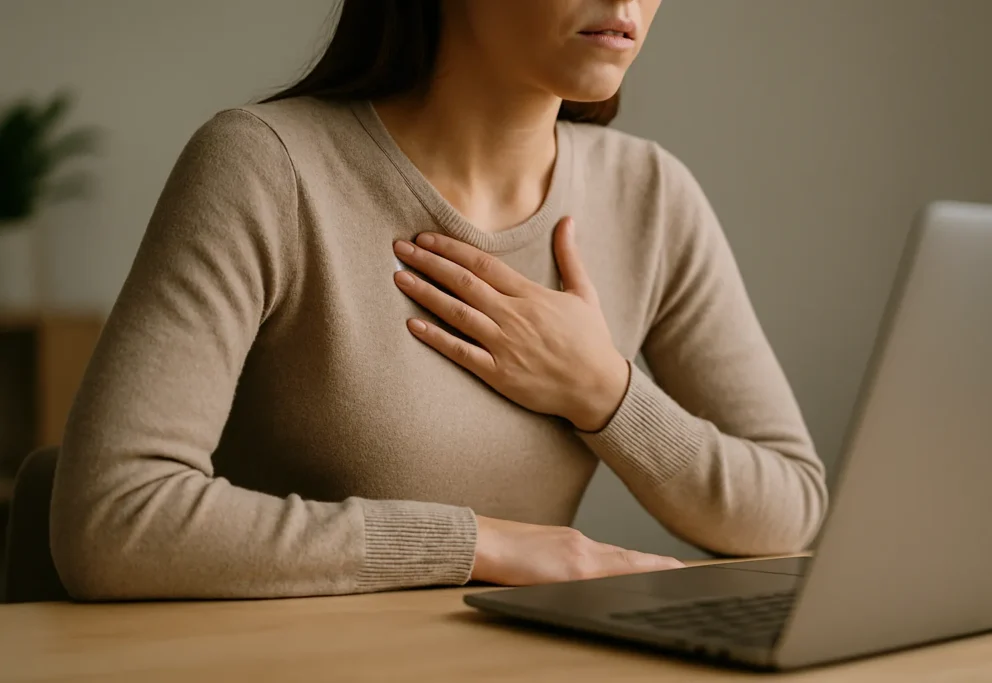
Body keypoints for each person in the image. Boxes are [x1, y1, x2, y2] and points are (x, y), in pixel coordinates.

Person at [51, 0, 827, 600]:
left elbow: (791, 507)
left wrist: (604, 391)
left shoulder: (651, 195)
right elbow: (111, 517)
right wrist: (477, 544)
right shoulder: (264, 167)